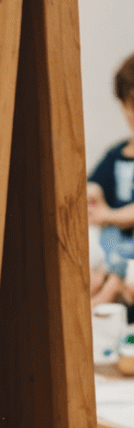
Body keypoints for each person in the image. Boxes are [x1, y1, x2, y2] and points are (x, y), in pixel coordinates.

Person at [86, 53, 134, 275]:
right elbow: (92, 186)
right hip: (114, 250)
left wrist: (108, 216)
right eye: (131, 103)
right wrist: (93, 195)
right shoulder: (116, 154)